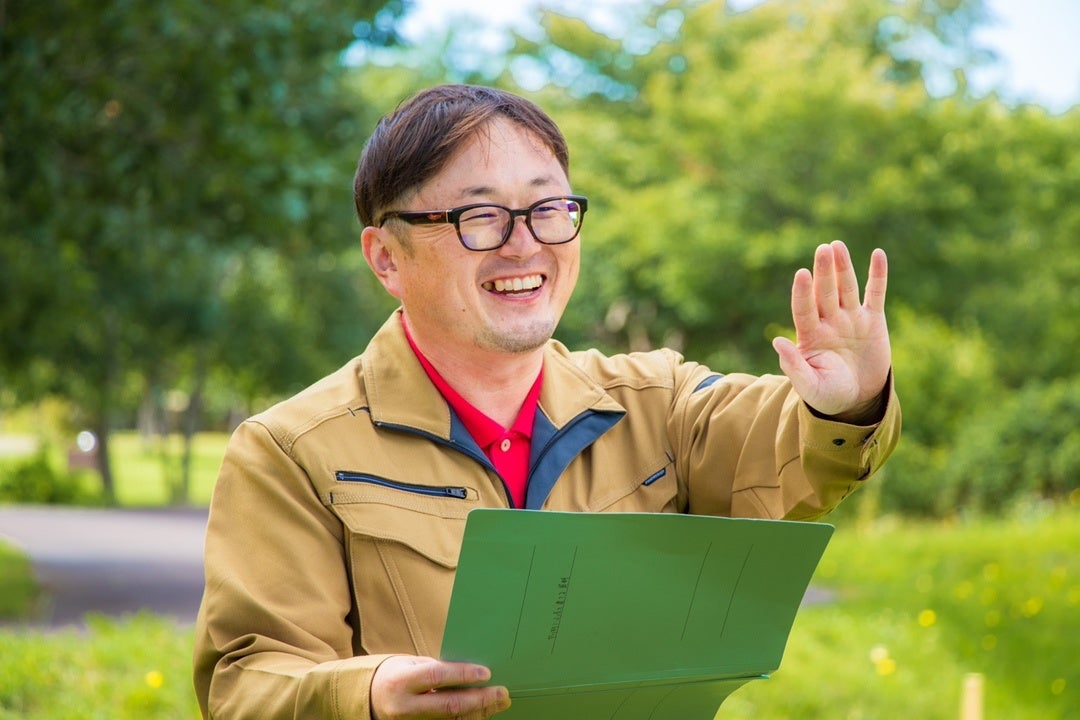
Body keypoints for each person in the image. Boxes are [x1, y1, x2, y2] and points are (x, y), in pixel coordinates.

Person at [193, 83, 900, 720]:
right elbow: (247, 684)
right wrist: (368, 694)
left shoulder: (659, 402)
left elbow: (783, 443)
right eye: (479, 216)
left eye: (548, 208)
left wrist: (847, 402)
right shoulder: (290, 451)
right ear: (386, 258)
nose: (524, 244)